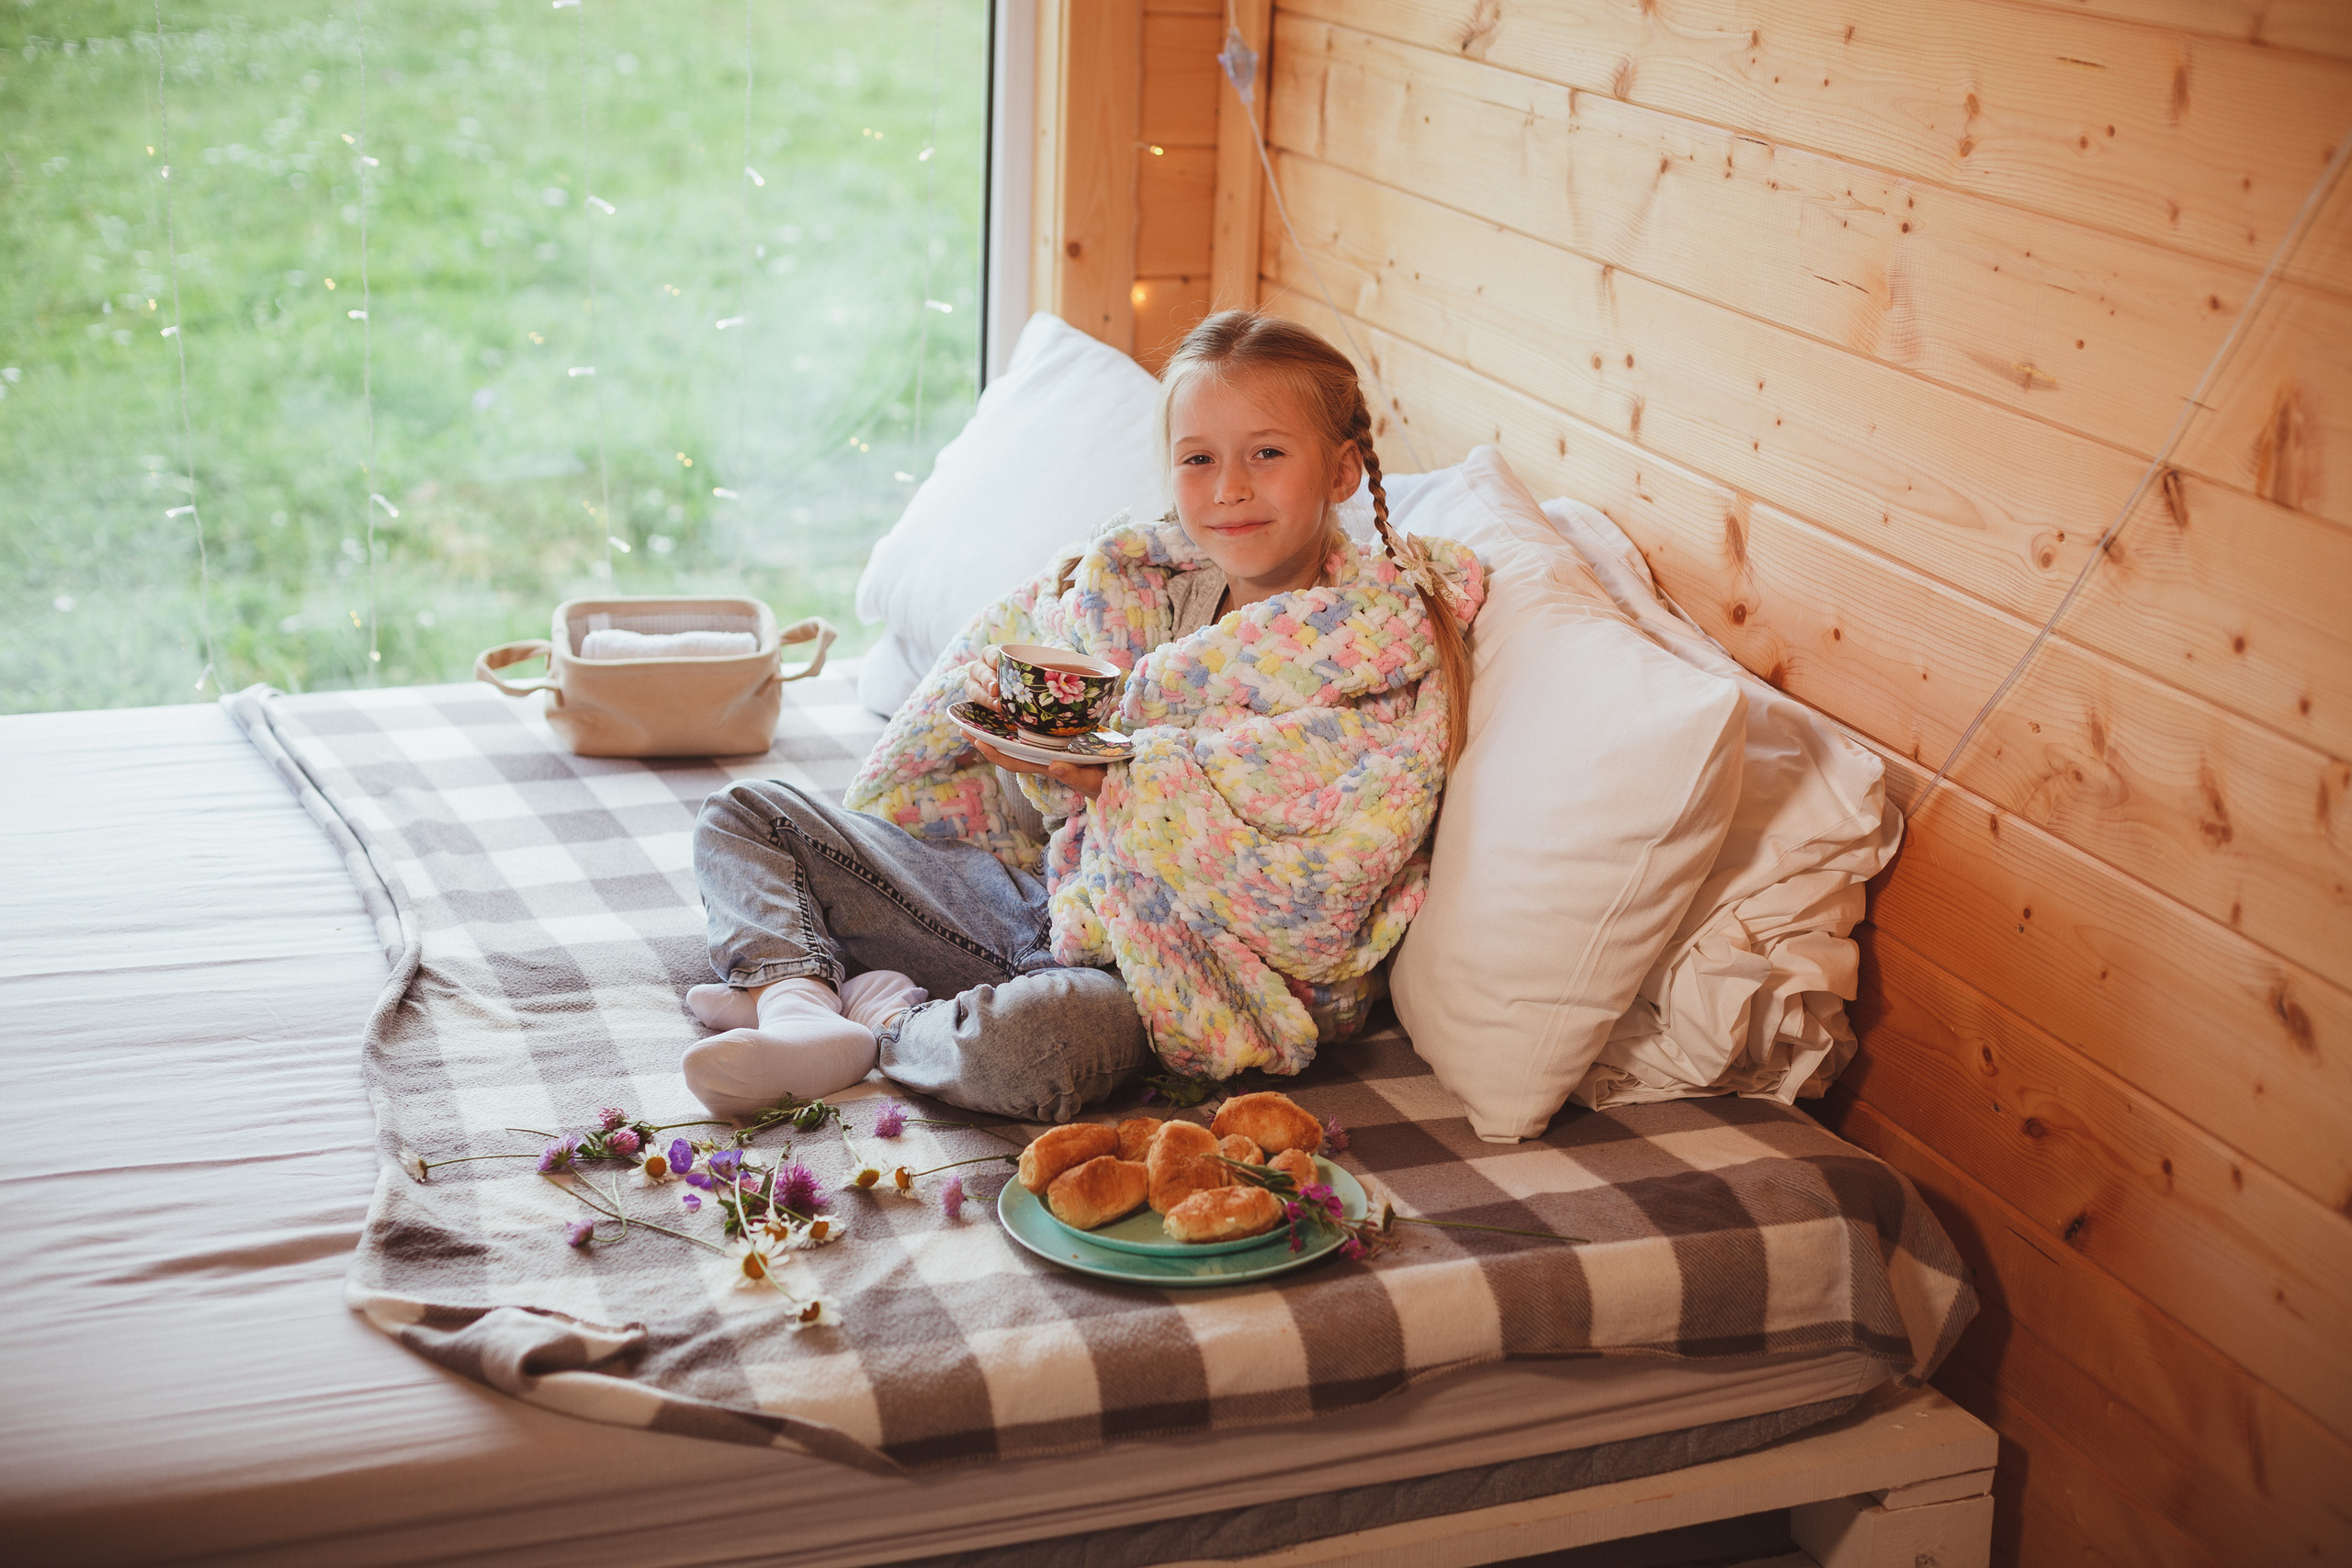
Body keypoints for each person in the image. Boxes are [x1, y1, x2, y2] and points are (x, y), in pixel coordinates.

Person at [681, 311, 1481, 1123]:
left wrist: (1127, 783)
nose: (1228, 487)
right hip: (1040, 896)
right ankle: (795, 1006)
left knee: (1034, 1046)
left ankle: (883, 1019)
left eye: (1266, 453)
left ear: (1342, 471)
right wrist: (1029, 755)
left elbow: (1320, 887)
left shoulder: (1377, 643)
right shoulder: (1137, 585)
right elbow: (1044, 723)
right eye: (1198, 459)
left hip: (1160, 972)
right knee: (745, 816)